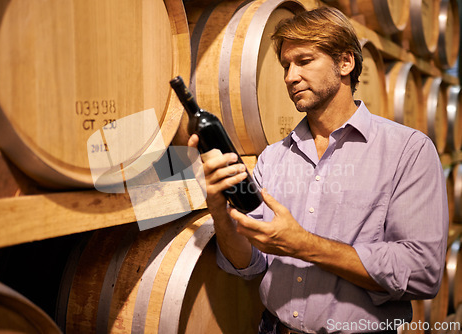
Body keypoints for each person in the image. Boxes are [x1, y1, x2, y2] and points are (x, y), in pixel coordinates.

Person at [188, 6, 449, 334]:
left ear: (345, 62)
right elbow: (249, 265)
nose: (290, 76)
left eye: (304, 61)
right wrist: (220, 216)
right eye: (286, 65)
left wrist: (302, 244)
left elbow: (421, 272)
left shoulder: (407, 151)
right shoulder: (274, 157)